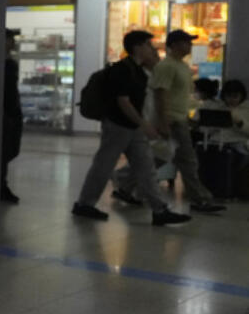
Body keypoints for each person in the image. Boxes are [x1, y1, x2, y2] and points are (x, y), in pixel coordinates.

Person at [73, 31, 190, 225]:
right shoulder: (123, 70)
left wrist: (142, 124)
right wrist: (144, 124)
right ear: (137, 47)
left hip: (132, 127)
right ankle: (84, 204)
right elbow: (123, 102)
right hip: (118, 126)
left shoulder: (138, 70)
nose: (152, 49)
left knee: (146, 167)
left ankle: (160, 209)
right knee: (103, 166)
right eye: (148, 45)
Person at [150, 29, 226, 213]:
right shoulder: (167, 66)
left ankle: (124, 180)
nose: (190, 45)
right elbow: (160, 94)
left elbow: (181, 95)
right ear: (175, 45)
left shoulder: (182, 67)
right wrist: (163, 120)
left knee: (160, 158)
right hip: (171, 119)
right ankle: (200, 199)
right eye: (187, 42)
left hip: (179, 119)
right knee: (188, 160)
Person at [2, 28, 23, 203]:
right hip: (5, 114)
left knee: (9, 150)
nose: (12, 43)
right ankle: (0, 185)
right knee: (3, 151)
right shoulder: (3, 65)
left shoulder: (10, 64)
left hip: (12, 113)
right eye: (9, 39)